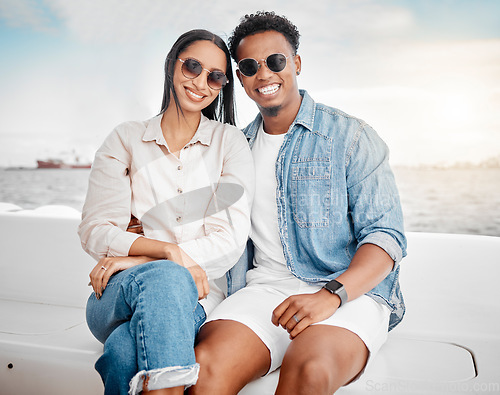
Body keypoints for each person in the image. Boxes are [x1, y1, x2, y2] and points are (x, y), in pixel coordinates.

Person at [191, 12, 407, 395]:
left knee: (309, 371)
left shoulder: (352, 137)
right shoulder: (233, 150)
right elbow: (198, 217)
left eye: (275, 61)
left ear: (296, 63)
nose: (265, 74)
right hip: (262, 292)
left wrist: (331, 295)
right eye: (249, 66)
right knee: (204, 371)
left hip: (347, 293)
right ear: (240, 77)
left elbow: (386, 237)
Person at [78, 29, 254, 395]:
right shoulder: (125, 139)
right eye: (192, 66)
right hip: (114, 296)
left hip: (197, 297)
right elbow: (96, 229)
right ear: (172, 66)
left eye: (215, 76)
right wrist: (167, 252)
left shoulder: (229, 143)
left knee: (124, 354)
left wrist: (141, 257)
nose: (201, 82)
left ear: (222, 86)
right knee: (168, 276)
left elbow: (229, 241)